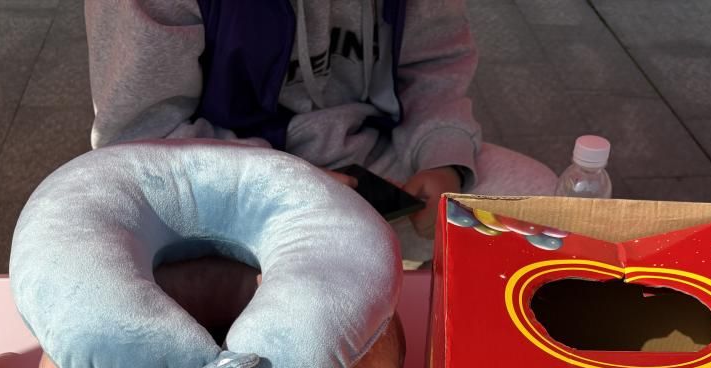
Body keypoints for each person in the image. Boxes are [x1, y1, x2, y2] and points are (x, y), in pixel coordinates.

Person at [84, 0, 558, 259]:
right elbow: (142, 139)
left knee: (540, 204)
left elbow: (435, 64)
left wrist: (444, 158)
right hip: (226, 180)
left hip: (374, 158)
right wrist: (277, 182)